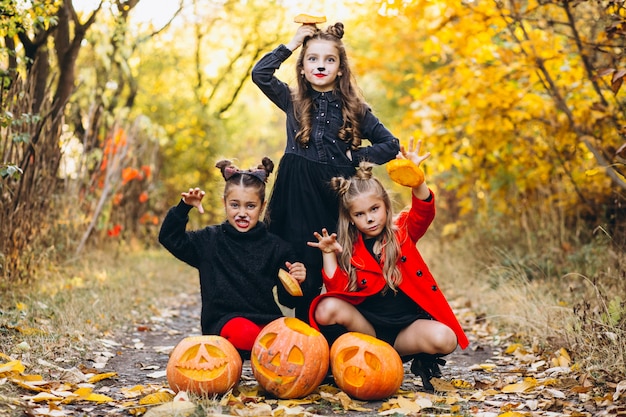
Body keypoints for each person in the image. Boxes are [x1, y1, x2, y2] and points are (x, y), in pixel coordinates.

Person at [251, 21, 400, 322]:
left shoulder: (354, 107)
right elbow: (260, 74)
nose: (321, 66)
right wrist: (292, 44)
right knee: (299, 261)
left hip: (334, 193)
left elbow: (390, 144)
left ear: (341, 68)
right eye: (313, 59)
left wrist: (357, 156)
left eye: (329, 60)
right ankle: (304, 338)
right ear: (302, 68)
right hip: (295, 195)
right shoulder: (293, 99)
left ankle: (343, 329)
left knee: (336, 260)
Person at [306, 139, 469, 392]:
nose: (369, 218)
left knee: (445, 339)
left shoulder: (402, 231)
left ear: (385, 205)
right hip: (369, 330)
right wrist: (328, 254)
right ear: (350, 218)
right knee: (325, 308)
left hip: (406, 330)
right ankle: (342, 356)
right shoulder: (350, 248)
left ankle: (418, 359)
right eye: (360, 214)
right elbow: (337, 287)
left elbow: (423, 213)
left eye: (374, 209)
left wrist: (417, 181)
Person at [158, 157, 306, 359]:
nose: (242, 213)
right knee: (245, 333)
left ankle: (273, 355)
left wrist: (297, 279)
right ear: (224, 203)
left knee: (295, 336)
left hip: (266, 320)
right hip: (226, 322)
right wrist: (184, 207)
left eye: (250, 206)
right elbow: (170, 238)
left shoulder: (276, 247)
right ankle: (271, 353)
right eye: (235, 205)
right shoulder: (210, 241)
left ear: (262, 207)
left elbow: (287, 300)